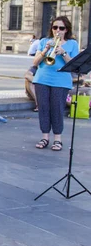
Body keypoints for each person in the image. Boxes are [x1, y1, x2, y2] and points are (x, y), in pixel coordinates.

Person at [32, 16, 79, 151]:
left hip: (61, 81)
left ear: (66, 30)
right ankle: (45, 137)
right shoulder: (44, 41)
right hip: (42, 79)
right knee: (44, 108)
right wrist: (46, 49)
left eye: (61, 28)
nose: (57, 30)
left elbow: (74, 65)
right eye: (55, 27)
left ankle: (57, 139)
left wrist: (63, 53)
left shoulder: (72, 44)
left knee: (57, 109)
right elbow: (35, 62)